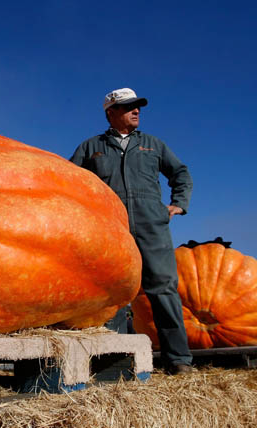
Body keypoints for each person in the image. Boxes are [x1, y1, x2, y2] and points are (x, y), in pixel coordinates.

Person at [69, 88, 193, 375]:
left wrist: (178, 205)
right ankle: (109, 360)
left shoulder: (153, 145)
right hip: (111, 228)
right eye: (128, 107)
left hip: (152, 226)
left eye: (137, 107)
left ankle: (179, 360)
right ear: (111, 113)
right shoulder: (91, 147)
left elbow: (180, 173)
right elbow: (71, 180)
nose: (136, 111)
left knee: (163, 289)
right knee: (111, 291)